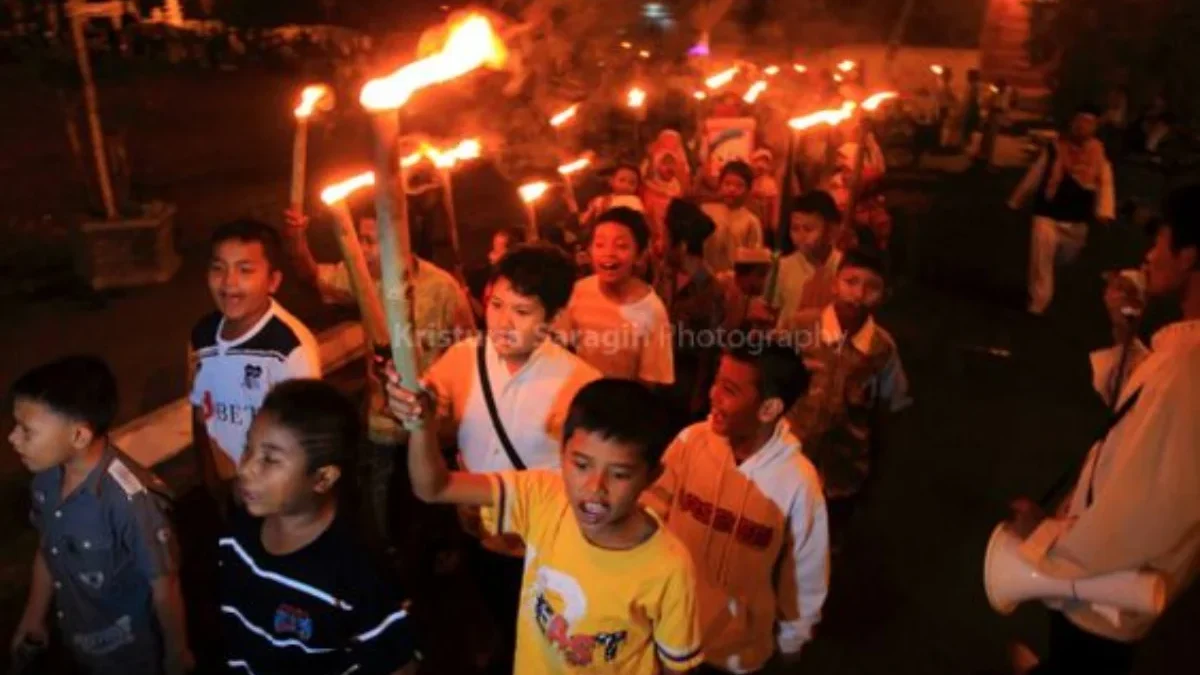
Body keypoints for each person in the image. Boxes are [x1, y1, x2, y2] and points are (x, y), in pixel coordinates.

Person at [1007, 184, 1200, 675]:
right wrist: (1124, 329)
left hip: (1104, 589)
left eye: (1160, 242)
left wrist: (1043, 540)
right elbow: (1140, 409)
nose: (1149, 254)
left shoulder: (1187, 366)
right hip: (1119, 585)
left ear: (1189, 256)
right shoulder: (1182, 353)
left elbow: (1141, 506)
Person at [387, 378, 704, 674]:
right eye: (581, 465)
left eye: (620, 474)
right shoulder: (543, 497)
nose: (595, 488)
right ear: (562, 453)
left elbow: (677, 667)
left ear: (652, 475)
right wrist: (422, 427)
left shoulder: (668, 567)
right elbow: (434, 488)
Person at [420, 243, 601, 671]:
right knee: (486, 613)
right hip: (473, 527)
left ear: (553, 319)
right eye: (496, 304)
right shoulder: (464, 357)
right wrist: (418, 406)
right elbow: (437, 418)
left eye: (522, 312)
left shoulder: (580, 383)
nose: (502, 321)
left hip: (537, 546)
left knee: (537, 633)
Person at [283, 207, 473, 548]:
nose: (363, 250)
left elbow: (467, 352)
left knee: (431, 514)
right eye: (359, 240)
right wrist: (297, 238)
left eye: (371, 241)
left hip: (431, 429)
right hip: (381, 424)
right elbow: (312, 275)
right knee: (379, 515)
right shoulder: (363, 276)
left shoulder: (443, 288)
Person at [646, 338, 829, 674]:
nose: (712, 395)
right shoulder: (691, 442)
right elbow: (649, 514)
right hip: (664, 633)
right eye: (717, 381)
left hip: (734, 657)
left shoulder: (798, 483)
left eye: (729, 390)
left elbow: (805, 572)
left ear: (769, 409)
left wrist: (792, 639)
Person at [219, 379, 417, 675]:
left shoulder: (358, 572)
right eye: (249, 448)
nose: (245, 468)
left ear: (322, 478)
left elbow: (399, 665)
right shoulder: (238, 533)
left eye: (270, 459)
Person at [9, 356, 192, 675]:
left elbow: (164, 586)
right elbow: (48, 548)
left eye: (27, 431)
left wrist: (177, 653)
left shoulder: (131, 503)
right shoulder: (46, 479)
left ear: (79, 436)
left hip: (129, 657)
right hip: (75, 641)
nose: (13, 438)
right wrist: (34, 616)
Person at [191, 219, 321, 500]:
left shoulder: (289, 348)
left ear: (273, 281)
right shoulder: (202, 335)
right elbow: (201, 410)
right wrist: (212, 479)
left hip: (271, 493)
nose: (228, 283)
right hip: (224, 485)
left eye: (245, 270)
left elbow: (302, 437)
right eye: (218, 268)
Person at [786, 249, 911, 537]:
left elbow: (890, 412)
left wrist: (874, 478)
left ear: (883, 295)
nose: (858, 294)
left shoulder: (882, 350)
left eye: (871, 287)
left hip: (841, 478)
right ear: (834, 283)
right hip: (790, 462)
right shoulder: (800, 327)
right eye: (851, 281)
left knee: (822, 549)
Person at [1008, 104, 1116, 315]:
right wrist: (1017, 199)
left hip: (1077, 219)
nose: (1082, 127)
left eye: (1088, 123)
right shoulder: (1055, 148)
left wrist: (1104, 211)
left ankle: (1046, 286)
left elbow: (1105, 183)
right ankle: (1038, 304)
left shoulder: (1098, 154)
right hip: (1047, 212)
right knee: (1041, 259)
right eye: (1079, 122)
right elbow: (1035, 174)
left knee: (1065, 258)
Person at [558, 207, 675, 386]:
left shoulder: (652, 310)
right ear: (589, 251)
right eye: (600, 244)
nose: (609, 253)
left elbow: (651, 381)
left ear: (639, 255)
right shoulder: (578, 291)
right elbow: (560, 347)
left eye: (621, 246)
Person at [656, 199, 722, 426]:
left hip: (685, 396)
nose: (660, 243)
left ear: (681, 246)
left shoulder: (709, 290)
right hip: (657, 386)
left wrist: (699, 401)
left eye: (664, 237)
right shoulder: (662, 275)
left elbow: (709, 353)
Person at [773, 191, 843, 329]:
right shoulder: (782, 266)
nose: (800, 236)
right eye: (795, 229)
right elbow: (774, 311)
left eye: (808, 229)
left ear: (830, 230)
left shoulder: (843, 266)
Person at [703, 161, 764, 274]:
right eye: (727, 184)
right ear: (720, 185)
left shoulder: (751, 221)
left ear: (748, 190)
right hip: (706, 278)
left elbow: (754, 257)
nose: (732, 189)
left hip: (736, 280)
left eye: (739, 185)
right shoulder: (707, 212)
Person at [580, 163, 646, 230]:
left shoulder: (634, 201)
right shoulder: (600, 200)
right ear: (611, 181)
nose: (626, 185)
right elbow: (585, 219)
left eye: (632, 183)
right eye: (622, 180)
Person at [750, 149, 781, 241]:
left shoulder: (771, 183)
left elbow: (774, 203)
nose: (760, 164)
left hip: (766, 223)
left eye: (764, 161)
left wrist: (774, 222)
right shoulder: (750, 182)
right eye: (757, 160)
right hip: (753, 221)